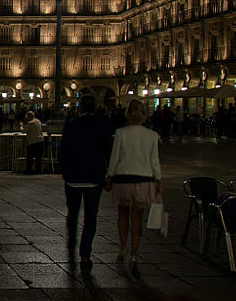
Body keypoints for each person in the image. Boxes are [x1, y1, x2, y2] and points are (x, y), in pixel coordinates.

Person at [105, 98, 162, 278]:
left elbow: (115, 157)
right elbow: (155, 161)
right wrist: (159, 181)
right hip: (144, 180)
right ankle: (135, 254)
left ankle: (122, 248)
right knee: (137, 218)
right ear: (144, 115)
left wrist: (109, 176)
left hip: (123, 179)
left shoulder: (121, 133)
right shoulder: (152, 135)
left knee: (123, 215)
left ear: (127, 114)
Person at [58, 93, 111, 271]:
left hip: (73, 178)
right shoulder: (102, 125)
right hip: (94, 179)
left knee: (72, 213)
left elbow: (63, 150)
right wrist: (107, 174)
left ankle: (71, 243)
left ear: (79, 108)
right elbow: (107, 152)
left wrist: (65, 172)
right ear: (95, 108)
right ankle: (85, 254)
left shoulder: (71, 125)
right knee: (90, 218)